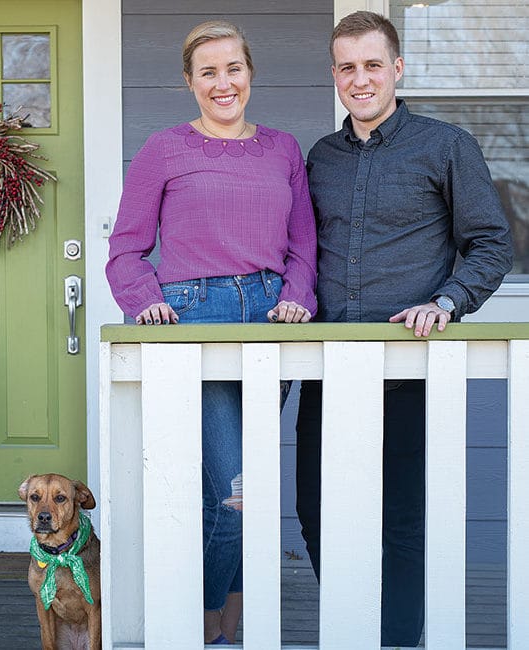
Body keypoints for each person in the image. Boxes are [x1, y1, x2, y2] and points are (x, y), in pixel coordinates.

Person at [295, 11, 513, 648]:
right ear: (335, 74)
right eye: (346, 67)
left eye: (371, 65)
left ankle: (395, 640)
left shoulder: (447, 147)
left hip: (412, 371)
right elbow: (304, 250)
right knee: (316, 514)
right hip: (329, 373)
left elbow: (491, 245)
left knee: (403, 524)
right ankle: (350, 627)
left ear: (397, 69)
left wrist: (447, 301)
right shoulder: (321, 158)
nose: (359, 79)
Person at [106, 20, 317, 645]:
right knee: (237, 491)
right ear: (189, 83)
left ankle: (228, 619)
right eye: (208, 72)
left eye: (233, 69)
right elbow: (126, 249)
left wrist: (297, 297)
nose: (223, 83)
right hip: (194, 320)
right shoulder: (165, 149)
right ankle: (201, 621)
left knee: (232, 490)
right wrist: (146, 302)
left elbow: (304, 245)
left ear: (250, 73)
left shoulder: (282, 149)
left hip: (271, 321)